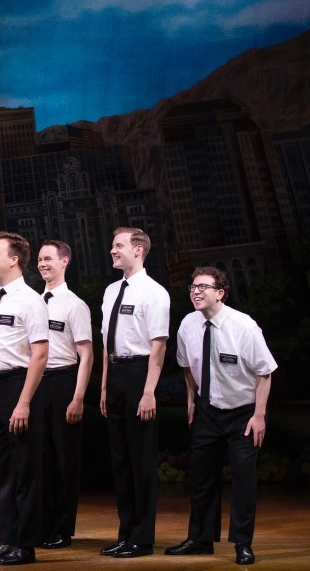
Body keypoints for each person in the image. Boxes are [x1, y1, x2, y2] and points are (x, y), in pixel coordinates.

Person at [165, 267, 275, 566]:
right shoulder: (188, 324)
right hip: (207, 411)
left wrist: (259, 415)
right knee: (201, 478)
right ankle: (200, 539)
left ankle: (243, 543)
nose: (195, 292)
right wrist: (191, 400)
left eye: (203, 287)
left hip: (243, 413)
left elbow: (264, 373)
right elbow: (187, 366)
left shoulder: (243, 325)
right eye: (192, 287)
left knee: (242, 479)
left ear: (220, 293)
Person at [0, 231, 49, 566]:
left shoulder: (31, 300)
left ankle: (26, 544)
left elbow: (41, 354)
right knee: (3, 471)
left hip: (20, 387)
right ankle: (8, 540)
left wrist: (24, 402)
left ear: (14, 258)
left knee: (24, 470)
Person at [98, 227, 169, 559]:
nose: (113, 250)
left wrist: (149, 392)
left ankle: (143, 538)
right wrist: (103, 386)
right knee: (120, 462)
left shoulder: (154, 293)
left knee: (141, 462)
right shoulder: (111, 291)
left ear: (139, 250)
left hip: (140, 373)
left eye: (119, 245)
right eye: (113, 245)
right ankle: (125, 534)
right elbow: (106, 343)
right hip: (115, 375)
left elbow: (158, 346)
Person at [35, 239, 93, 550]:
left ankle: (62, 528)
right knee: (41, 458)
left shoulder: (74, 305)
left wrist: (78, 397)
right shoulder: (33, 301)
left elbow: (87, 354)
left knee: (64, 460)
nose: (42, 264)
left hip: (63, 384)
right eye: (40, 260)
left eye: (48, 259)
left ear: (64, 262)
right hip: (36, 385)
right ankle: (43, 524)